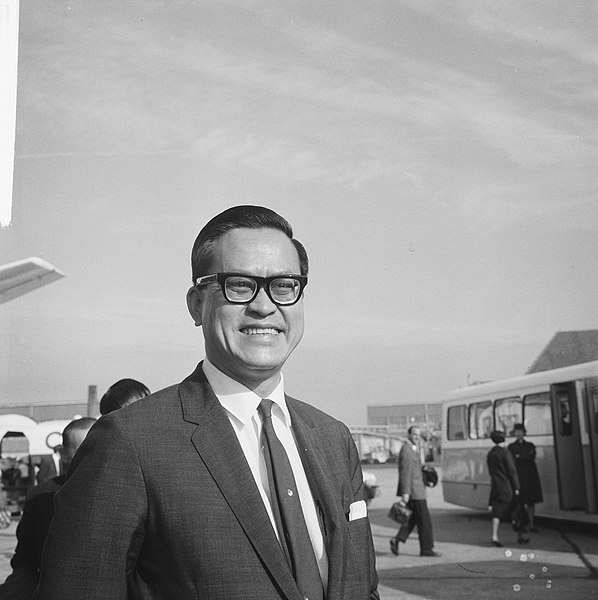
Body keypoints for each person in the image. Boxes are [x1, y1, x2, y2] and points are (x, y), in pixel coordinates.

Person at [37, 205, 379, 600]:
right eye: (239, 284)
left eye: (283, 285)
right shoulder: (130, 442)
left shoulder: (333, 439)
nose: (264, 306)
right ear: (196, 305)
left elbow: (362, 588)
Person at [0, 418, 96, 599]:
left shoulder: (123, 493)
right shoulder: (40, 496)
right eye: (82, 450)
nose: (93, 456)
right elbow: (24, 560)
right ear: (64, 453)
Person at [390, 425, 441, 557]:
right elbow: (405, 473)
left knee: (413, 518)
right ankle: (426, 549)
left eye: (418, 434)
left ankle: (397, 539)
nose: (417, 437)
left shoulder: (413, 449)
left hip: (417, 490)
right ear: (408, 435)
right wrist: (405, 493)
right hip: (414, 492)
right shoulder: (406, 451)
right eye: (414, 434)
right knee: (425, 521)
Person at [487, 430, 528, 547]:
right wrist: (517, 487)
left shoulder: (491, 454)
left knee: (497, 511)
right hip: (507, 486)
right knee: (517, 509)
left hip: (496, 485)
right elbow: (512, 471)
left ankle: (494, 536)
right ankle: (520, 536)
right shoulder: (506, 453)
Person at [508, 423, 543, 532]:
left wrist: (519, 456)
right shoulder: (511, 447)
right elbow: (515, 459)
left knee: (531, 502)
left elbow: (531, 457)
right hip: (520, 476)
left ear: (524, 433)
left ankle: (531, 524)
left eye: (520, 431)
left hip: (530, 476)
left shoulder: (530, 445)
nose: (519, 434)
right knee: (520, 502)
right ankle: (522, 524)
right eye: (517, 432)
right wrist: (524, 457)